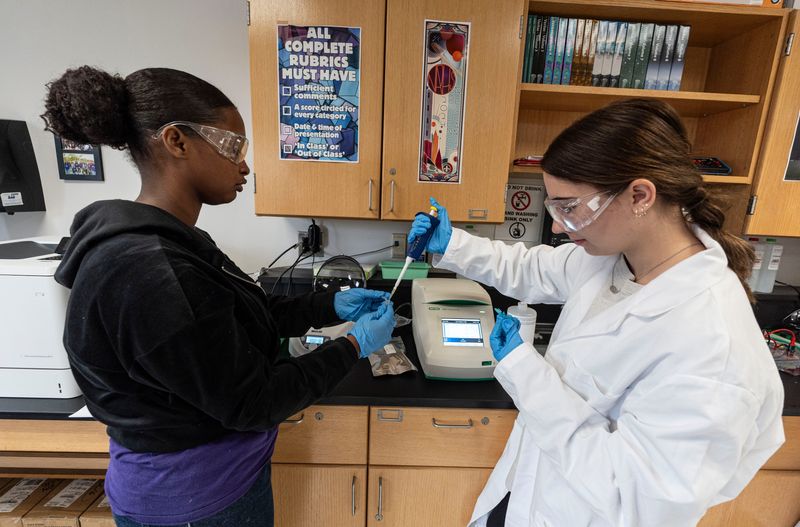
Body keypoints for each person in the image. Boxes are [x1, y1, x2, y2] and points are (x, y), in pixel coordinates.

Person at [42, 66, 395, 527]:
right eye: (233, 146)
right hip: (195, 501)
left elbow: (240, 315)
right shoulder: (151, 271)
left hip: (215, 483)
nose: (244, 165)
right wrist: (353, 346)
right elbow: (255, 402)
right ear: (176, 141)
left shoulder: (173, 242)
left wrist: (327, 307)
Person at [408, 99, 785, 526]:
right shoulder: (616, 258)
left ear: (639, 195)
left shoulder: (712, 344)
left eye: (569, 207)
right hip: (527, 493)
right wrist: (453, 244)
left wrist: (525, 372)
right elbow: (530, 268)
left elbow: (634, 499)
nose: (556, 226)